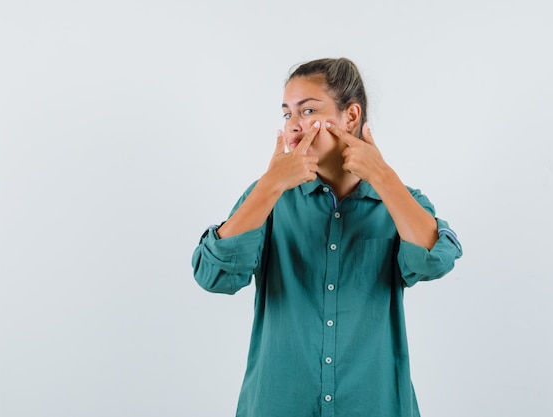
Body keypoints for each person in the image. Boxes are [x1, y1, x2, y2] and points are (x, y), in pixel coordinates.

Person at [191, 57, 462, 417]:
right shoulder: (269, 199)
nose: (293, 127)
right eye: (287, 114)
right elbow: (213, 275)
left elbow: (433, 260)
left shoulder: (398, 201)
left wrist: (382, 177)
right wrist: (269, 185)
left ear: (351, 117)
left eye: (307, 111)